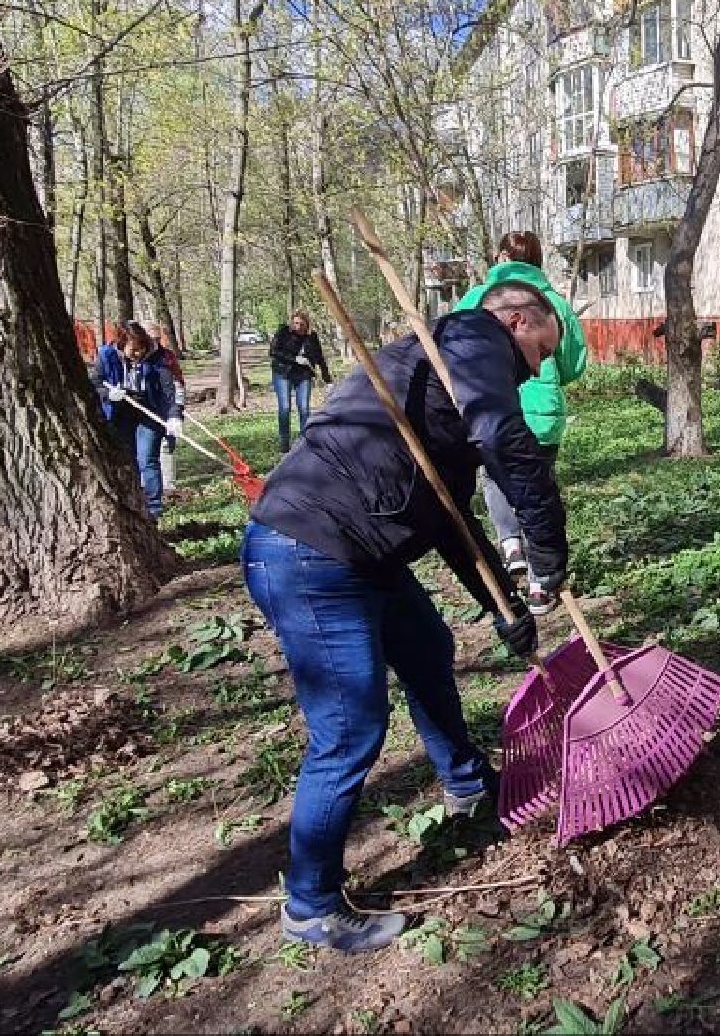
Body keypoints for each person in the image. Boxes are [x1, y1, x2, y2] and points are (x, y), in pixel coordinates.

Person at [244, 280, 569, 955]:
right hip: (311, 549)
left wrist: (505, 606)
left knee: (426, 646)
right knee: (348, 729)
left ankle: (467, 785)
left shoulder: (439, 387)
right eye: (540, 352)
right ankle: (310, 905)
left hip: (361, 550)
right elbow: (504, 437)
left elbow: (449, 518)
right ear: (517, 321)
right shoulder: (473, 338)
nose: (536, 371)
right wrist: (546, 540)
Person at [457, 231, 585, 600]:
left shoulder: (476, 299)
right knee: (538, 487)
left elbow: (451, 356)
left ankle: (511, 544)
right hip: (542, 414)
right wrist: (549, 371)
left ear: (500, 258)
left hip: (485, 412)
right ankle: (540, 582)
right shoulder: (554, 304)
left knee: (496, 479)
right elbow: (573, 364)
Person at [94, 320, 185, 518]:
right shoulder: (106, 356)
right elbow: (95, 384)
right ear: (121, 344)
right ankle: (133, 502)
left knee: (147, 458)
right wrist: (108, 394)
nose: (138, 353)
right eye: (133, 349)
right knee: (127, 459)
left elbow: (170, 388)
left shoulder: (159, 357)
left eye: (141, 348)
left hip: (149, 411)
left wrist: (175, 416)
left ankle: (154, 508)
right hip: (121, 413)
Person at [269, 313, 332, 452]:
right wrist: (294, 359)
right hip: (283, 373)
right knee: (285, 408)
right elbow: (273, 351)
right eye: (296, 323)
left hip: (303, 375)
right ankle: (284, 441)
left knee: (304, 408)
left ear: (307, 325)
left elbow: (320, 358)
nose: (298, 326)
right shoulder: (283, 332)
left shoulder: (312, 337)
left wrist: (328, 381)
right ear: (291, 323)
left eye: (302, 324)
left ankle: (305, 441)